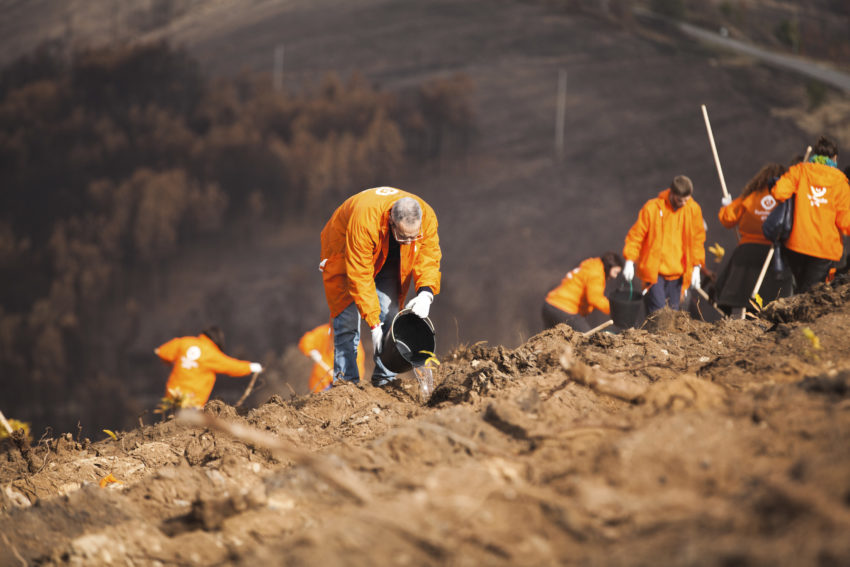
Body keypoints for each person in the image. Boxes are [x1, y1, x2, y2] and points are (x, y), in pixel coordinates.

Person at [320, 186, 441, 387]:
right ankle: (345, 384)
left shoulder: (426, 216)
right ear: (391, 222)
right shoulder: (365, 222)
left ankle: (385, 380)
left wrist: (426, 293)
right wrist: (374, 325)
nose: (410, 241)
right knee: (347, 322)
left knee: (391, 314)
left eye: (414, 237)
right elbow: (360, 275)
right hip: (345, 251)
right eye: (405, 236)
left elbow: (429, 256)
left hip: (389, 253)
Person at [771, 135, 850, 292]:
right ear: (834, 158)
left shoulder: (800, 171)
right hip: (824, 249)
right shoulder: (840, 182)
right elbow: (845, 221)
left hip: (797, 243)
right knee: (810, 293)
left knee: (800, 289)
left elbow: (778, 192)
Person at [715, 163, 794, 315]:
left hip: (746, 252)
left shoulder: (750, 196)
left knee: (741, 295)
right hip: (774, 253)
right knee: (771, 299)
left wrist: (727, 206)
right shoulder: (785, 198)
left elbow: (727, 219)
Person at [622, 175, 706, 314]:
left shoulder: (693, 209)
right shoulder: (653, 208)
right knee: (658, 314)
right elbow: (636, 235)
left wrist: (697, 266)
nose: (684, 203)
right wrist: (630, 260)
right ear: (672, 194)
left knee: (672, 316)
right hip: (655, 274)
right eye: (680, 200)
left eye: (687, 199)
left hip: (679, 275)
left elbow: (697, 240)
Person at [154, 325, 263, 408]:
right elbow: (231, 366)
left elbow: (161, 352)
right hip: (192, 400)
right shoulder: (212, 354)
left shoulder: (185, 342)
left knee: (170, 425)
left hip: (172, 395)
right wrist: (251, 367)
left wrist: (170, 363)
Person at [542, 252, 624, 332]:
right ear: (609, 266)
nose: (615, 276)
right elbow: (595, 299)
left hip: (550, 305)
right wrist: (615, 309)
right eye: (615, 272)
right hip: (564, 308)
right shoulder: (596, 273)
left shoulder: (591, 266)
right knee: (586, 340)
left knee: (551, 340)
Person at [297, 323, 365, 393]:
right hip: (321, 385)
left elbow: (358, 367)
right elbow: (306, 341)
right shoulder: (326, 332)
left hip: (342, 388)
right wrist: (312, 352)